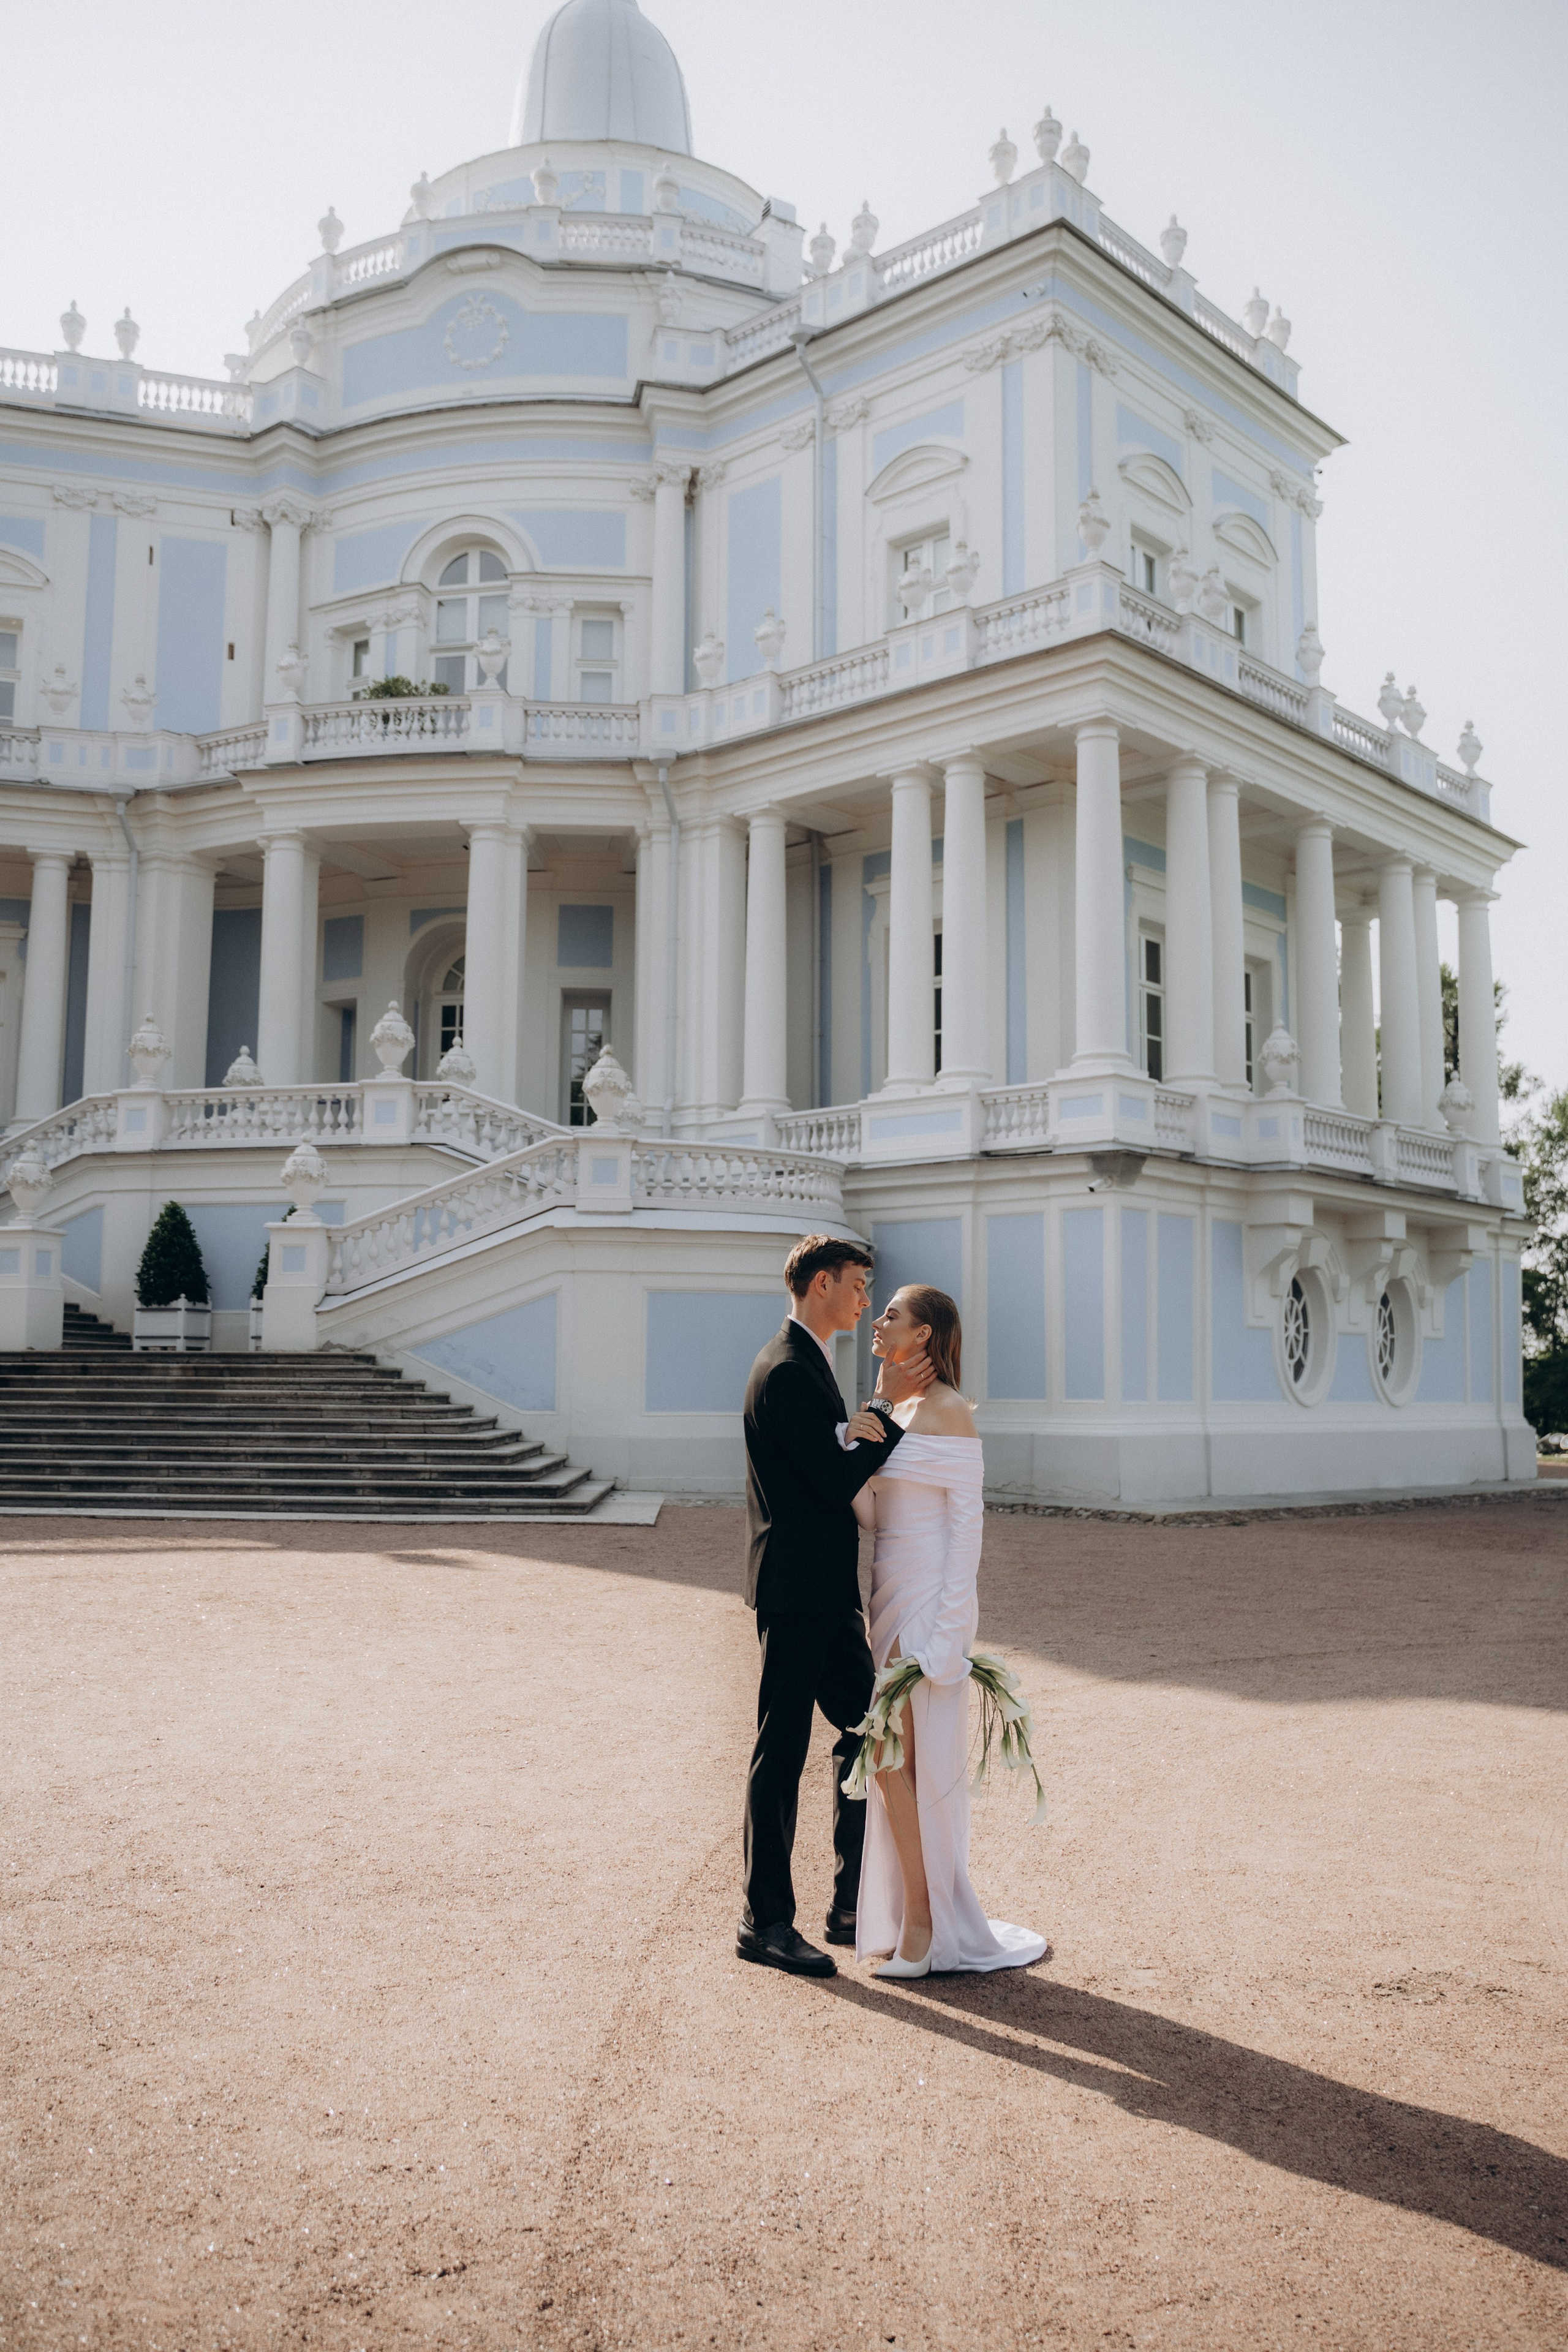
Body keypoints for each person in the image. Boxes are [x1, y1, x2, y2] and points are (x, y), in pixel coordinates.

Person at [737, 1234, 933, 1978]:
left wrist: (860, 1422)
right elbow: (831, 1479)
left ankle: (849, 1901)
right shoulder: (786, 1368)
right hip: (795, 1592)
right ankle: (764, 1923)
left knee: (865, 1733)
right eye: (857, 1285)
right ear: (822, 1284)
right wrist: (886, 1411)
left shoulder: (805, 1362)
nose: (864, 1300)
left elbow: (825, 1459)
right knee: (780, 1751)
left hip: (821, 1591)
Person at [853, 1284, 1048, 1979]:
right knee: (889, 1759)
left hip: (929, 1599)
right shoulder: (894, 1407)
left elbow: (968, 1529)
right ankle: (915, 1912)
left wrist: (950, 1630)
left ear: (925, 1336)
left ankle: (923, 1924)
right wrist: (856, 1436)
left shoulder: (949, 1410)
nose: (879, 1321)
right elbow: (871, 1516)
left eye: (893, 1315)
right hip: (886, 1591)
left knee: (895, 1757)